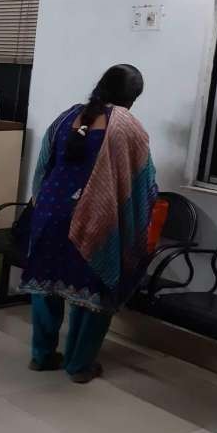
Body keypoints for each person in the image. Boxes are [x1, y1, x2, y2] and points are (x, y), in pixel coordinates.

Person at [21, 64, 156, 383]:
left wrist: (44, 209)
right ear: (132, 97)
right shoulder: (127, 126)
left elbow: (42, 169)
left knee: (46, 286)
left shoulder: (67, 116)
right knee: (94, 291)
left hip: (50, 214)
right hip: (95, 220)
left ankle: (41, 355)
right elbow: (143, 182)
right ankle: (79, 364)